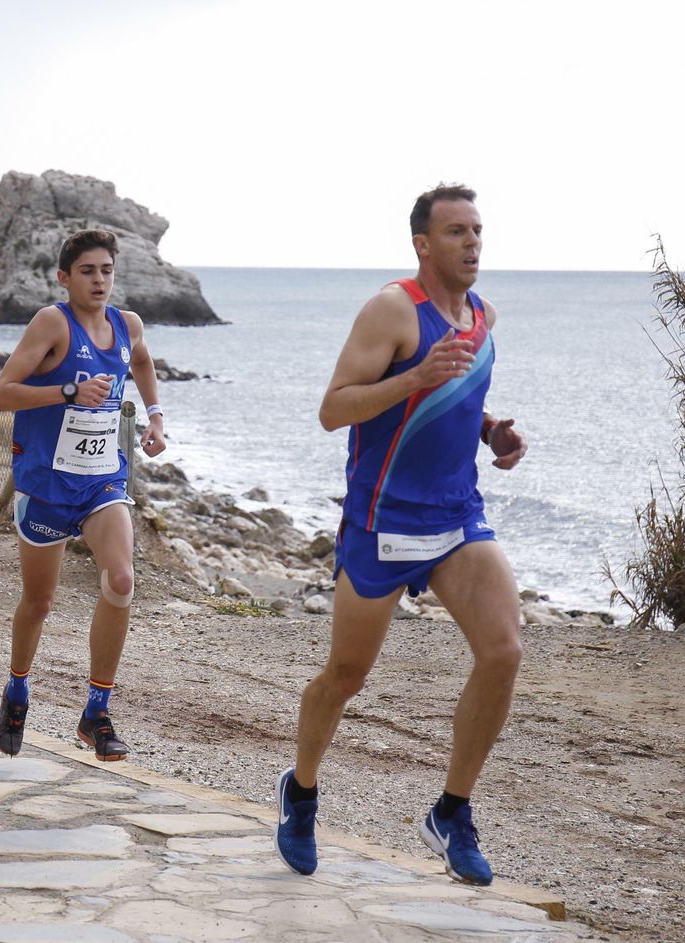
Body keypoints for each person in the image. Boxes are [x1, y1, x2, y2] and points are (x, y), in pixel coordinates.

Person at [275, 184, 528, 887]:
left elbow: (458, 397)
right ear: (423, 243)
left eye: (477, 229)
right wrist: (412, 375)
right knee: (347, 676)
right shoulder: (392, 310)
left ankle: (452, 810)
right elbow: (334, 409)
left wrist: (492, 431)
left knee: (504, 649)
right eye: (456, 231)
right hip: (383, 519)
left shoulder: (483, 315)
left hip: (456, 516)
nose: (472, 242)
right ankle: (300, 791)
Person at [0, 229, 169, 762]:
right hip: (44, 484)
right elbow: (0, 395)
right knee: (39, 602)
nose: (99, 280)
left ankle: (96, 712)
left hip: (101, 481)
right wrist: (66, 390)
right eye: (87, 271)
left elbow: (142, 363)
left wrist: (155, 416)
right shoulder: (51, 323)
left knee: (121, 579)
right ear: (65, 278)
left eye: (107, 270)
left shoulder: (126, 324)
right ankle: (17, 689)